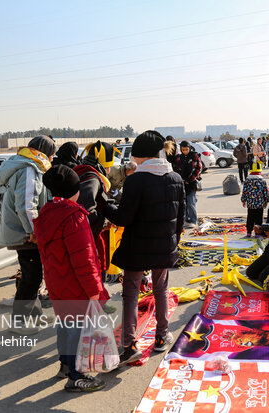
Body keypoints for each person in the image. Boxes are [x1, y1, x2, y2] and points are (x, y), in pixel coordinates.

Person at [104, 131, 185, 366]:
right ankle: (162, 335)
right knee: (161, 290)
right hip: (164, 246)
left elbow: (124, 218)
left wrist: (105, 206)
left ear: (141, 156)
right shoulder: (176, 178)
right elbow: (180, 219)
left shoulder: (136, 180)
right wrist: (172, 242)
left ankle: (128, 345)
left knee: (131, 294)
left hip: (137, 248)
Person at [33, 165, 108, 392]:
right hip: (75, 285)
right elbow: (84, 259)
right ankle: (77, 376)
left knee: (65, 326)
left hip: (57, 282)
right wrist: (95, 289)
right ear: (75, 191)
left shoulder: (46, 213)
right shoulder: (74, 217)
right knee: (77, 329)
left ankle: (65, 365)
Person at [0, 135, 56, 333]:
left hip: (22, 229)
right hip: (25, 233)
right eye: (52, 155)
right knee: (31, 276)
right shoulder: (30, 168)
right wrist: (34, 231)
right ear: (45, 153)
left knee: (34, 274)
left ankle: (35, 315)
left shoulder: (20, 163)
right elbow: (27, 205)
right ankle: (19, 322)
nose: (53, 159)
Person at [73, 141, 117, 281]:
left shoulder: (82, 171)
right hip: (90, 238)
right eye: (109, 165)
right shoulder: (92, 177)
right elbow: (86, 210)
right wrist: (104, 223)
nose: (110, 169)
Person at [174, 141, 202, 228]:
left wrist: (190, 179)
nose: (185, 151)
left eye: (186, 149)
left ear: (189, 148)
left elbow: (198, 168)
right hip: (182, 183)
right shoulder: (179, 157)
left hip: (191, 183)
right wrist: (180, 179)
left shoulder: (195, 156)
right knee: (184, 203)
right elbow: (176, 169)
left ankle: (193, 220)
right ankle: (186, 220)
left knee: (191, 202)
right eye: (183, 149)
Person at [241, 161, 269, 237]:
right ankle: (257, 232)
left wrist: (243, 200)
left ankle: (249, 232)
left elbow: (245, 191)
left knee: (250, 217)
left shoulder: (247, 180)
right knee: (259, 218)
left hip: (250, 203)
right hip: (260, 203)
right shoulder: (262, 180)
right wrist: (267, 200)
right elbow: (265, 191)